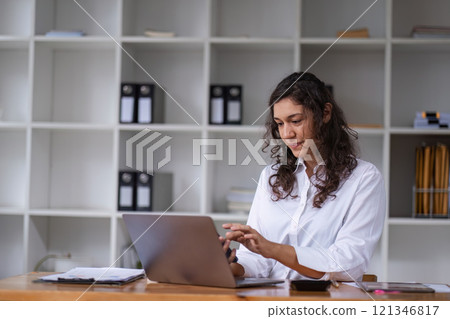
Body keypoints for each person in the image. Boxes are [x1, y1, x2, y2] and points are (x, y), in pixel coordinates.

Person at [220, 71, 386, 281]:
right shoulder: (271, 176)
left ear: (325, 113)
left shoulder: (364, 179)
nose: (287, 134)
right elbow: (257, 260)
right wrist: (228, 266)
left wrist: (272, 248)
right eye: (280, 123)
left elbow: (347, 264)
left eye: (295, 121)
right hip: (271, 301)